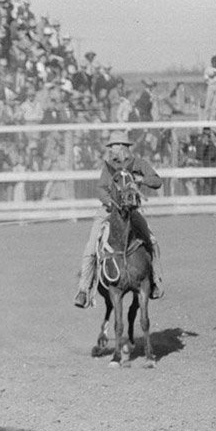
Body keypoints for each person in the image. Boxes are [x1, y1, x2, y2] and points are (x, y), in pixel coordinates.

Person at [74, 132, 163, 308]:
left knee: (152, 242)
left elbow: (157, 181)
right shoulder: (108, 167)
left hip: (131, 212)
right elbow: (101, 189)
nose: (112, 151)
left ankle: (155, 281)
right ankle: (83, 290)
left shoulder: (139, 164)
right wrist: (110, 202)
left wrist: (142, 179)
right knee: (91, 248)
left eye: (114, 146)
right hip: (108, 212)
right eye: (111, 147)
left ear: (123, 147)